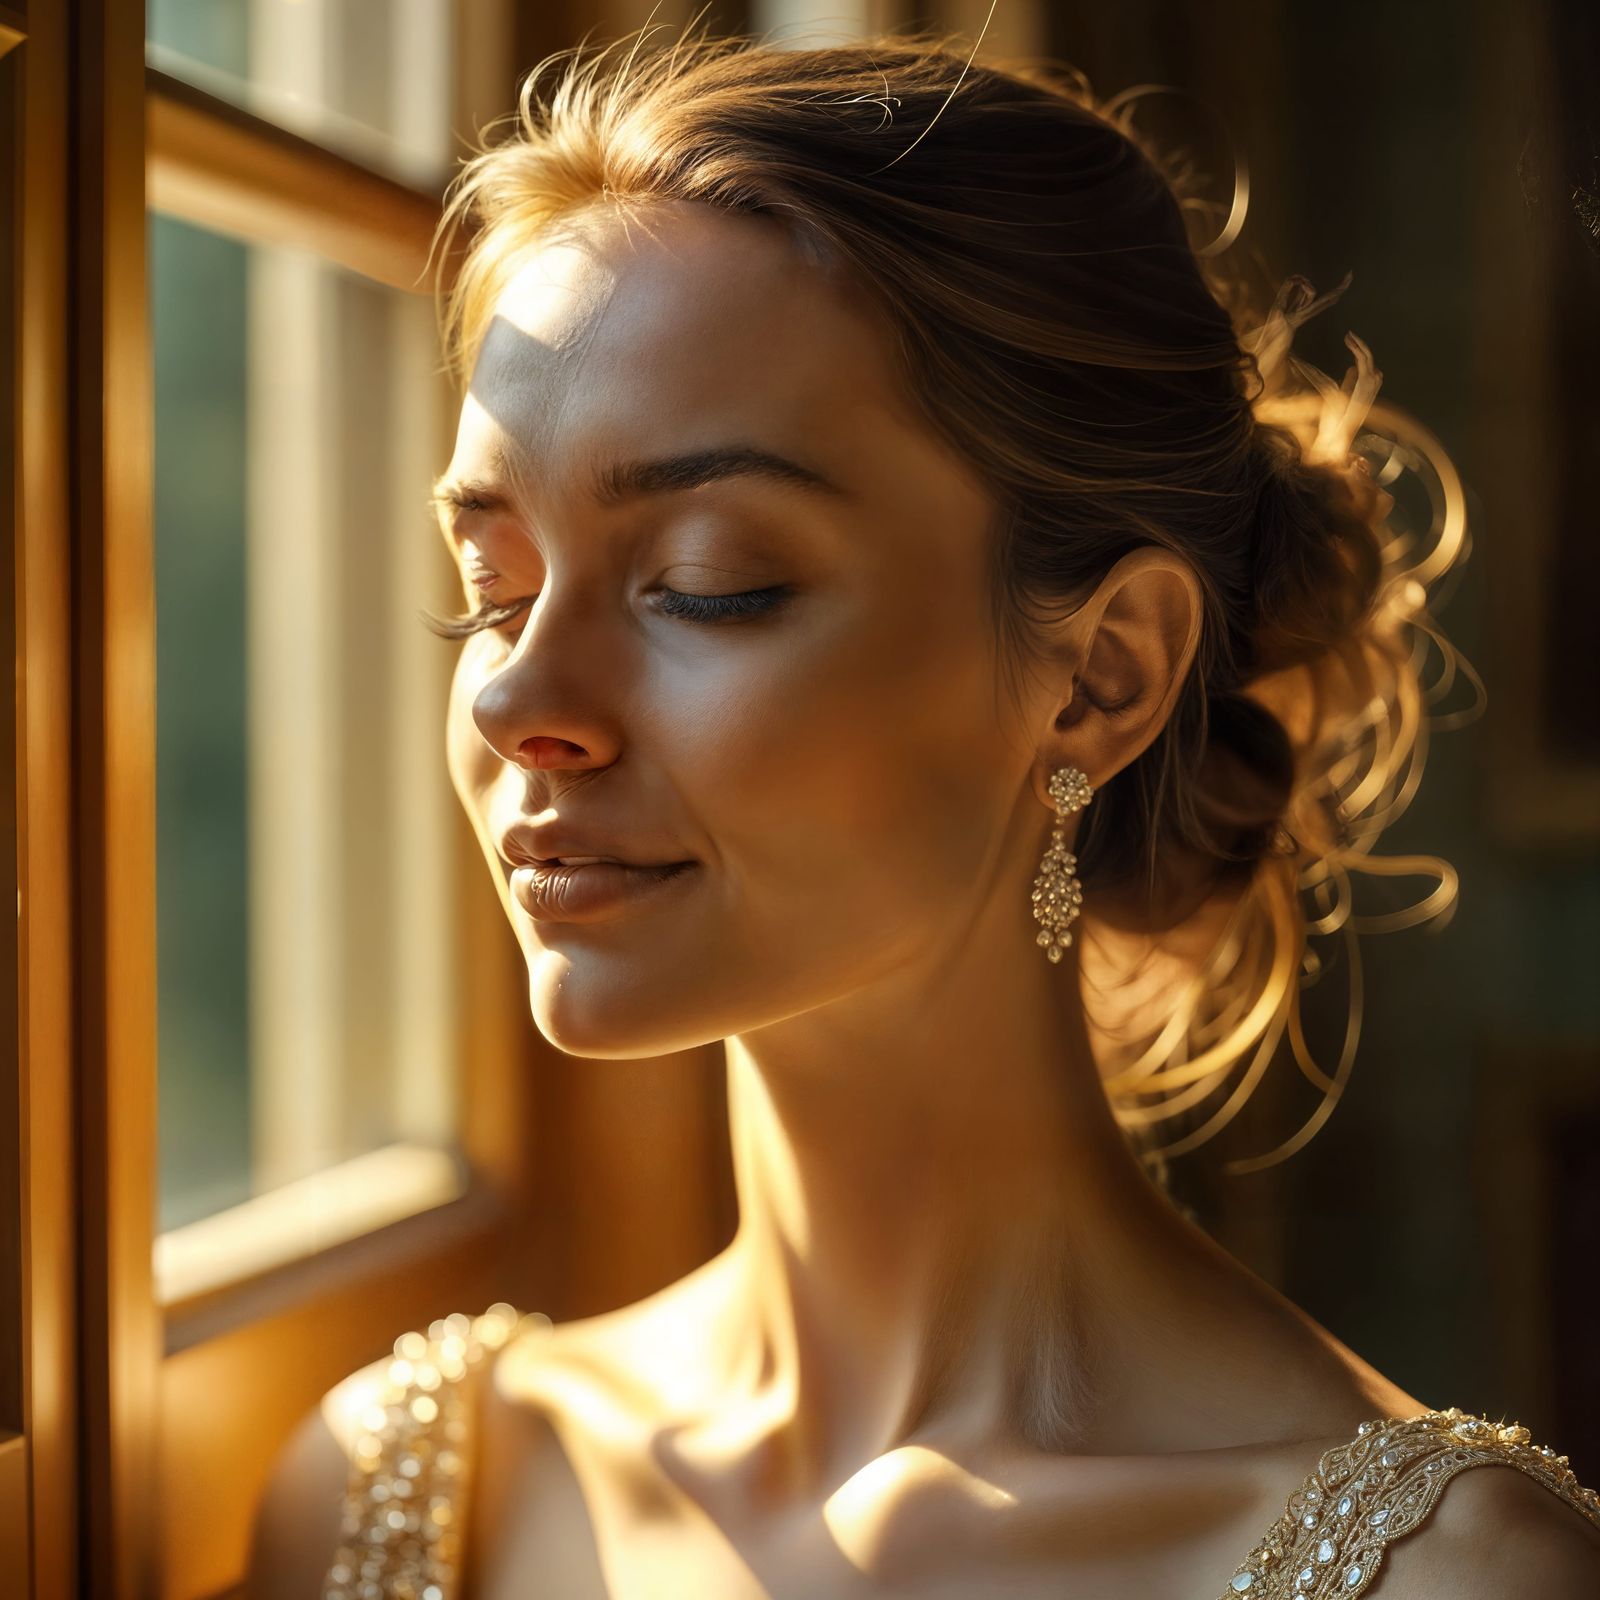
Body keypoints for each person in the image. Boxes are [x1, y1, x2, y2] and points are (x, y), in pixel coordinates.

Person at [247, 26, 1600, 1600]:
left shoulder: (1443, 1581)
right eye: (494, 591)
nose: (511, 698)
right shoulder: (403, 1494)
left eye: (707, 585)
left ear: (1101, 674)